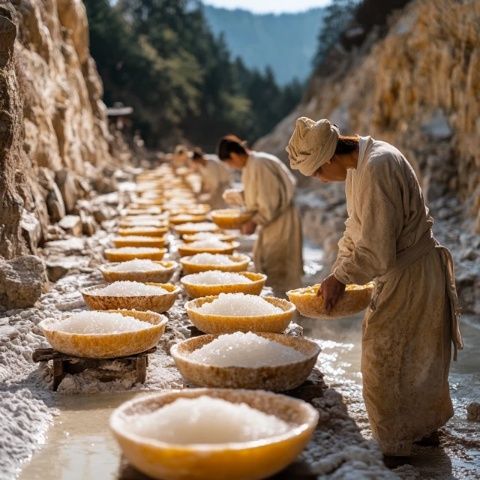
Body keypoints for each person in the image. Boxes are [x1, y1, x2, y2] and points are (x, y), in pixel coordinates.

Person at [286, 117, 463, 458]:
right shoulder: (359, 166)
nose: (322, 181)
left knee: (384, 358)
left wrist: (341, 278)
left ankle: (396, 447)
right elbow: (356, 229)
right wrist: (338, 270)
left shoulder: (378, 167)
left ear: (330, 158)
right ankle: (422, 431)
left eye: (318, 173)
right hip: (405, 270)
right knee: (414, 354)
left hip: (411, 272)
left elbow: (378, 250)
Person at [217, 135, 303, 296]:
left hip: (281, 221)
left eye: (229, 163)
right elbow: (259, 194)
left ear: (234, 156)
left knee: (278, 264)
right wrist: (240, 196)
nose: (232, 167)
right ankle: (279, 305)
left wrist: (254, 221)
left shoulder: (260, 164)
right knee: (268, 262)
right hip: (272, 220)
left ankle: (288, 309)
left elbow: (270, 201)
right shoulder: (251, 165)